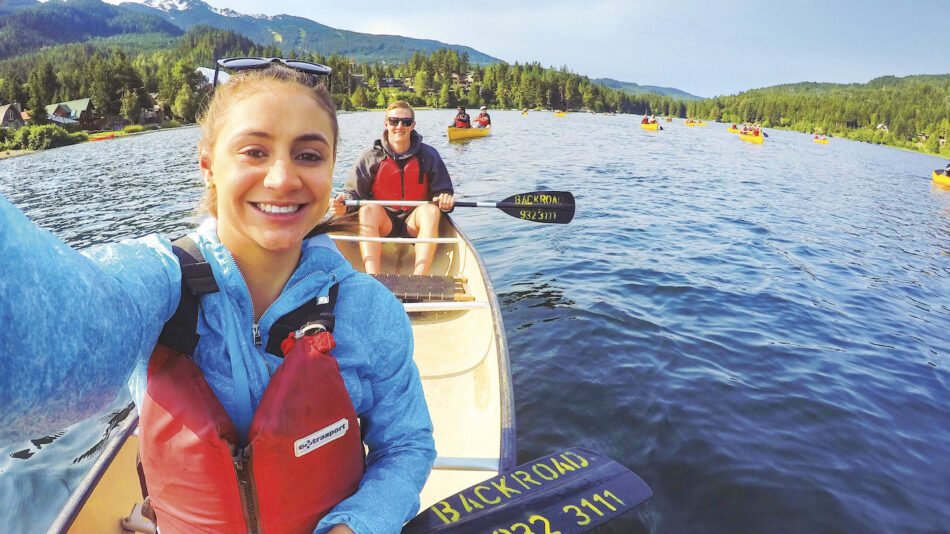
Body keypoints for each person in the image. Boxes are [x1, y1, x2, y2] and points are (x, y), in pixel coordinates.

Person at [0, 60, 435, 534]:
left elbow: (406, 445)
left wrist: (356, 526)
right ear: (208, 166)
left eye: (309, 155)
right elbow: (51, 336)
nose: (283, 179)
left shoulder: (369, 311)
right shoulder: (157, 283)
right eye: (254, 151)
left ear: (331, 167)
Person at [330, 101, 455, 276]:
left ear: (413, 125)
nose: (399, 126)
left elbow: (443, 191)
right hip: (384, 223)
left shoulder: (429, 155)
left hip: (414, 221)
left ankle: (419, 278)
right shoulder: (370, 157)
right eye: (394, 121)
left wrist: (445, 200)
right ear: (386, 123)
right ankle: (374, 278)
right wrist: (342, 207)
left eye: (405, 122)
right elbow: (352, 195)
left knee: (431, 211)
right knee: (367, 209)